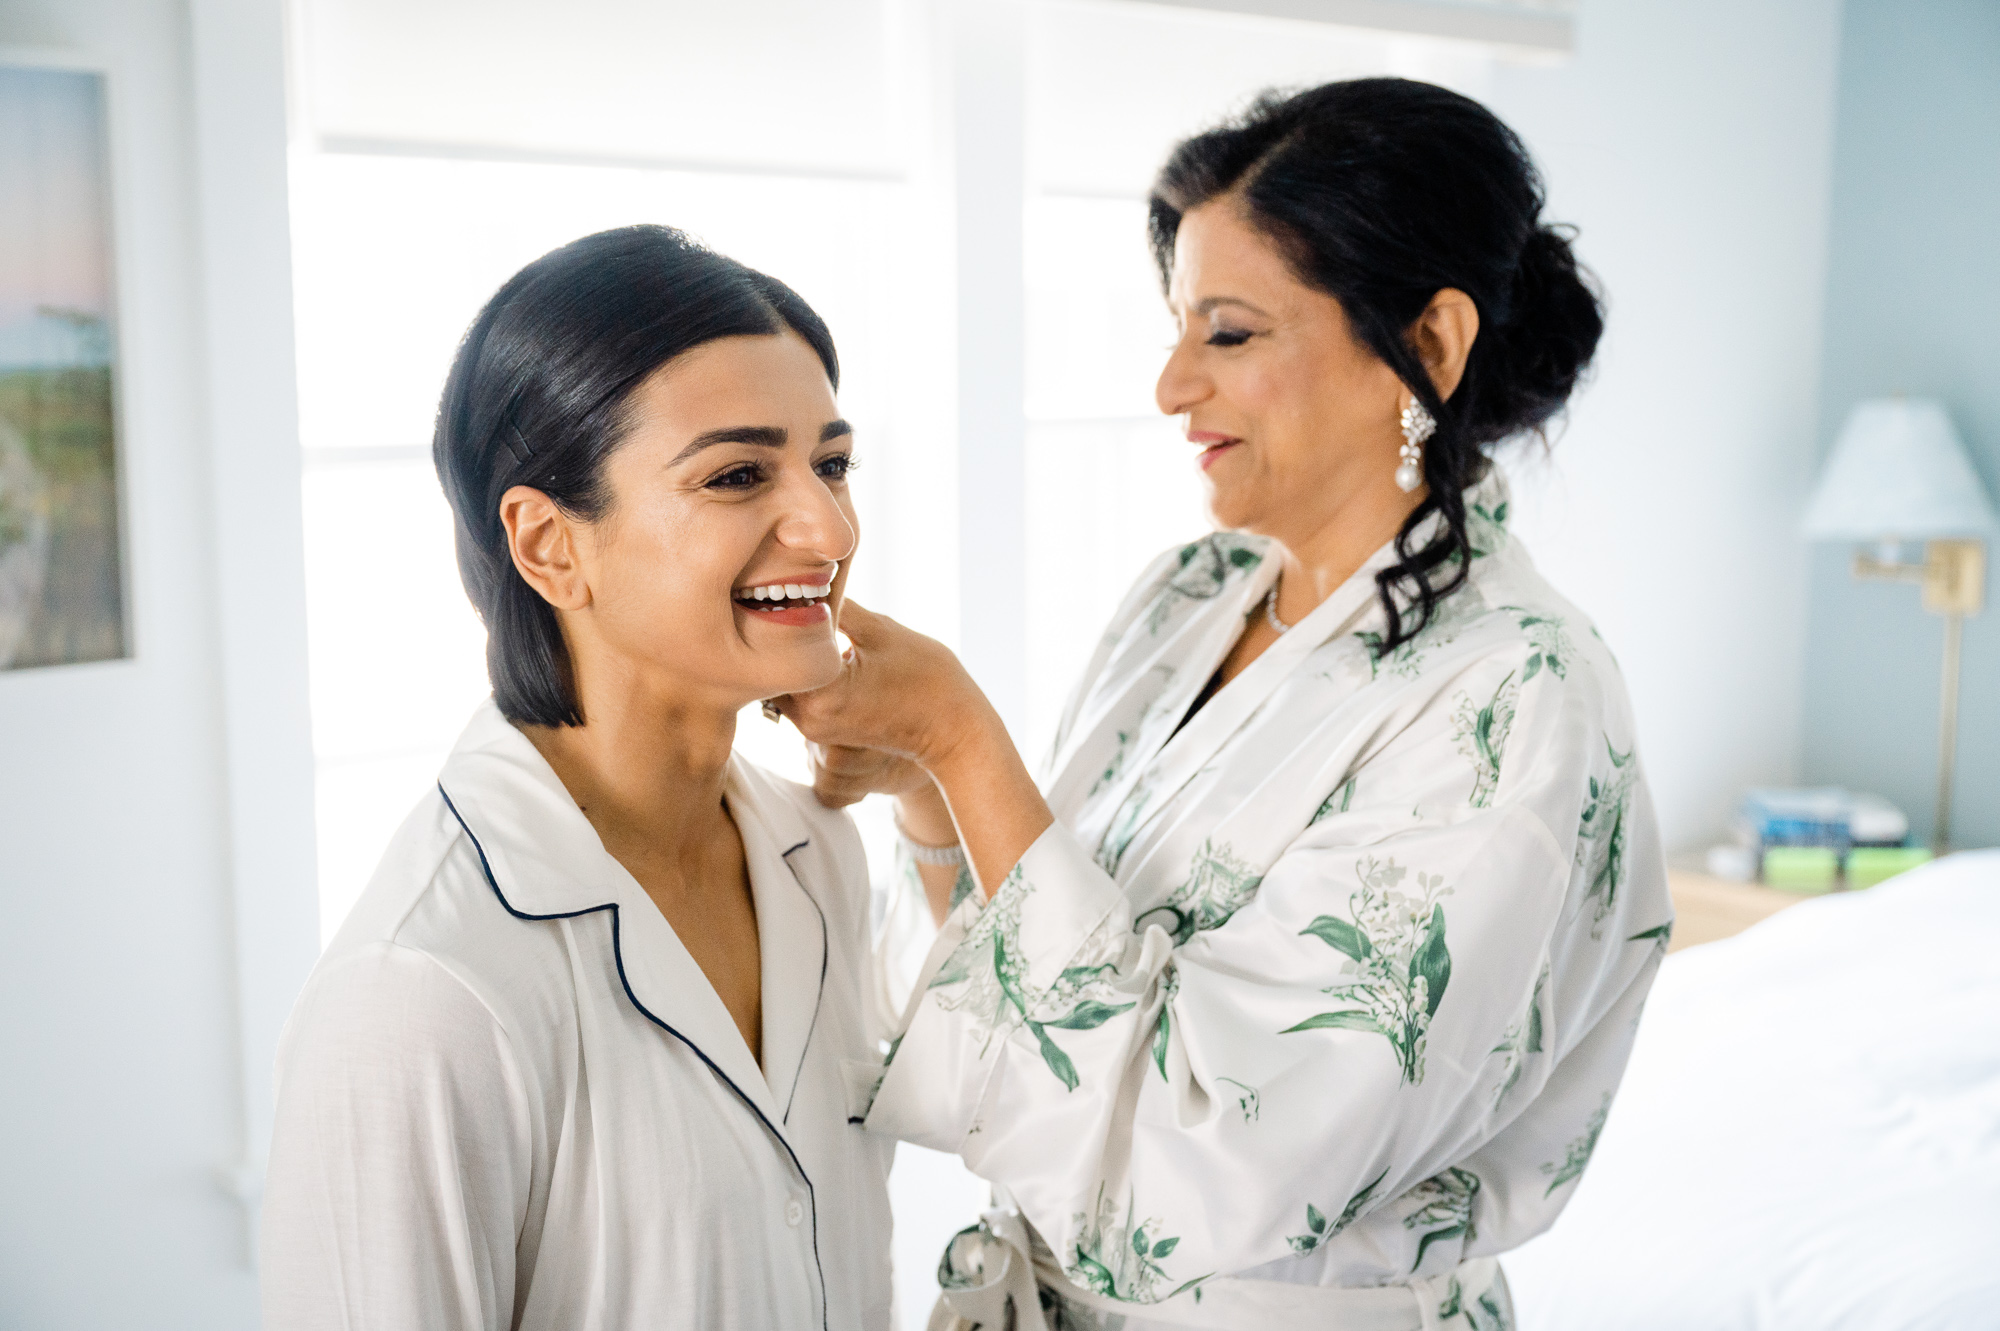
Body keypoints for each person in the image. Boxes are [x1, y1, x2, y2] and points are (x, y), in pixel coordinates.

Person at [782, 78, 1670, 1330]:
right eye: (1176, 329)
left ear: (1427, 345)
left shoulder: (1518, 696)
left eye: (1230, 334)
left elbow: (1222, 1161)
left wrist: (961, 738)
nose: (1168, 386)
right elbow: (1038, 975)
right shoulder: (1189, 593)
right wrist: (930, 793)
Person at [261, 225, 894, 1330]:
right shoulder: (418, 994)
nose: (829, 526)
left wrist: (939, 772)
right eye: (738, 474)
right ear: (550, 544)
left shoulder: (819, 854)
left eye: (831, 464)